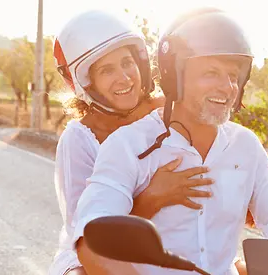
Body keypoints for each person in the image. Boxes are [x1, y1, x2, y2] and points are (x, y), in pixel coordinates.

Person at [71, 7, 268, 275]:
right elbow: (92, 241)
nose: (226, 87)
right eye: (211, 73)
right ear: (175, 76)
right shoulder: (128, 146)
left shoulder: (246, 146)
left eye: (233, 76)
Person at [47, 10, 228, 275]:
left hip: (175, 244)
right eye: (107, 70)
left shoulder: (172, 111)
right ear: (87, 82)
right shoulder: (79, 138)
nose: (124, 77)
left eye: (127, 63)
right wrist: (154, 197)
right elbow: (86, 235)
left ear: (141, 64)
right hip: (100, 254)